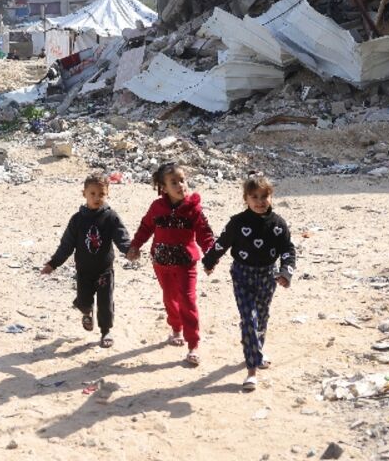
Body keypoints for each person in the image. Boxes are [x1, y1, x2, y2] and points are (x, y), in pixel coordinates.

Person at [202, 172, 295, 391]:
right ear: (246, 199)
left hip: (267, 276)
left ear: (271, 196)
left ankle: (257, 351)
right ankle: (251, 369)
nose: (260, 202)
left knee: (261, 317)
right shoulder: (237, 222)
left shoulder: (278, 224)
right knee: (248, 319)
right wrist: (209, 261)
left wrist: (285, 272)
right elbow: (222, 243)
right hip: (242, 275)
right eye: (254, 197)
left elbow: (288, 249)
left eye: (264, 196)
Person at [126, 162, 214, 366]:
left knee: (188, 300)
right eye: (173, 182)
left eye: (182, 180)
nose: (180, 185)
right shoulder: (157, 207)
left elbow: (205, 235)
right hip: (162, 262)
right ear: (163, 187)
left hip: (186, 263)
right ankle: (176, 327)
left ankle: (193, 345)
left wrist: (211, 256)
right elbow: (146, 227)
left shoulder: (194, 210)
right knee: (169, 297)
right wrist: (135, 245)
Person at [41, 172, 131, 348]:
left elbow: (121, 237)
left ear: (107, 194)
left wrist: (129, 251)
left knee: (105, 302)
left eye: (101, 194)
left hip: (105, 269)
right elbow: (66, 245)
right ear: (84, 194)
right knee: (83, 300)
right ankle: (86, 312)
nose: (97, 197)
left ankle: (106, 331)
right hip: (83, 271)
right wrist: (53, 264)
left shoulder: (111, 217)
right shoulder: (77, 220)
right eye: (93, 193)